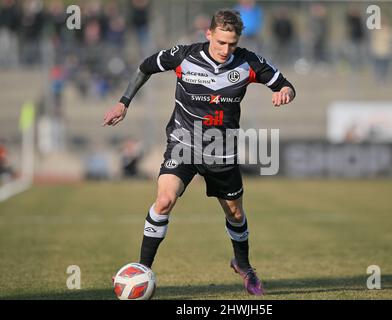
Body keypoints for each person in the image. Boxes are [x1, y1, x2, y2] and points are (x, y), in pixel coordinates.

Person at [103, 9, 296, 296]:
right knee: (165, 200)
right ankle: (143, 269)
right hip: (183, 144)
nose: (225, 49)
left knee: (235, 213)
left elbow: (287, 85)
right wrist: (123, 102)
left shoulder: (249, 62)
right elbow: (145, 66)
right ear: (209, 34)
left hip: (221, 150)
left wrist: (283, 93)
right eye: (220, 42)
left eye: (231, 43)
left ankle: (243, 265)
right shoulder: (184, 56)